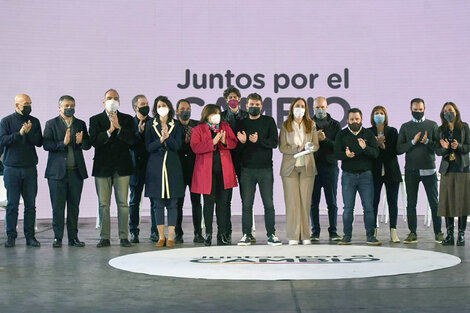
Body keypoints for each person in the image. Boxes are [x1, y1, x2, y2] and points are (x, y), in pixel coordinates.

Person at [89, 89, 135, 247]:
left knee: (123, 203)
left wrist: (119, 127)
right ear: (103, 101)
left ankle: (124, 236)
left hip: (122, 167)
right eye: (109, 98)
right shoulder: (95, 120)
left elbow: (132, 140)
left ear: (120, 101)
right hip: (103, 167)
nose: (112, 101)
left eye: (115, 98)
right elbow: (94, 141)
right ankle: (105, 237)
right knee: (104, 204)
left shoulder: (127, 119)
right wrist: (109, 130)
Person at [43, 95, 90, 248]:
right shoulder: (51, 124)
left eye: (72, 105)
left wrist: (81, 142)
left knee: (74, 206)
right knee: (57, 207)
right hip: (56, 174)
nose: (70, 108)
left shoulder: (80, 123)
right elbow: (46, 144)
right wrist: (62, 143)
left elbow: (88, 144)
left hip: (76, 173)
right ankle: (57, 237)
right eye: (67, 106)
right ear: (59, 107)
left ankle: (73, 237)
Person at [235, 93, 281, 246]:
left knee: (269, 204)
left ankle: (271, 234)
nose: (254, 107)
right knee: (247, 204)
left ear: (262, 106)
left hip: (265, 169)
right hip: (247, 170)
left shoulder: (269, 121)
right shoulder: (241, 123)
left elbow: (274, 143)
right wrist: (241, 142)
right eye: (251, 105)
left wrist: (258, 140)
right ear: (246, 106)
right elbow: (237, 149)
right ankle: (246, 235)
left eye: (257, 105)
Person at [397, 98, 443, 244]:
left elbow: (438, 148)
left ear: (425, 109)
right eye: (415, 109)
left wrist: (427, 142)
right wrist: (412, 142)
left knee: (434, 202)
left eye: (420, 109)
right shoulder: (405, 127)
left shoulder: (432, 125)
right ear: (410, 109)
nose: (418, 112)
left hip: (429, 169)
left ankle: (438, 232)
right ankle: (412, 232)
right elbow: (399, 149)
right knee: (411, 203)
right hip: (411, 170)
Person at [191, 104, 238, 246]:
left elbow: (234, 142)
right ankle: (208, 234)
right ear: (207, 115)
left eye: (218, 113)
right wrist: (213, 142)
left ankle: (222, 234)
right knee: (208, 204)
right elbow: (195, 147)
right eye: (213, 113)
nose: (216, 116)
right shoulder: (198, 129)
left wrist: (224, 141)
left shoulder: (225, 126)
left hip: (224, 172)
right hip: (207, 173)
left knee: (223, 204)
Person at [0, 94, 43, 247]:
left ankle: (30, 236)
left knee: (30, 204)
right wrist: (20, 134)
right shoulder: (6, 121)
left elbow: (39, 142)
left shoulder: (35, 121)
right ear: (17, 105)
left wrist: (29, 132)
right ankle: (11, 236)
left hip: (30, 168)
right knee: (12, 204)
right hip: (11, 168)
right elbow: (2, 140)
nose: (28, 106)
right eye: (26, 103)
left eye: (30, 103)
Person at [334, 108, 381, 245]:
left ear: (361, 120)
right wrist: (345, 155)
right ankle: (347, 236)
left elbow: (376, 154)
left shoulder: (368, 134)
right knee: (348, 208)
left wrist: (365, 147)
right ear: (347, 120)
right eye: (352, 119)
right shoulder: (341, 135)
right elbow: (336, 153)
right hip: (348, 176)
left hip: (366, 176)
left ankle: (370, 236)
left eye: (357, 119)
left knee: (368, 207)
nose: (355, 121)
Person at [145, 96, 185, 248]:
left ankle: (171, 237)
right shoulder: (150, 124)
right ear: (155, 108)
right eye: (159, 105)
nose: (162, 107)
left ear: (169, 107)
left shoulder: (177, 125)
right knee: (158, 203)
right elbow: (148, 147)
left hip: (173, 167)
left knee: (173, 203)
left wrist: (168, 138)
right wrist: (160, 140)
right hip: (155, 168)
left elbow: (177, 146)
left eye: (164, 105)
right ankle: (161, 236)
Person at [280, 97, 319, 245]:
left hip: (307, 167)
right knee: (292, 203)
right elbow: (282, 147)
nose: (300, 108)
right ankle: (293, 236)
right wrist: (297, 148)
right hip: (290, 168)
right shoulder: (285, 125)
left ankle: (305, 235)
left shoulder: (311, 125)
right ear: (292, 108)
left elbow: (316, 145)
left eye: (303, 106)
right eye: (297, 106)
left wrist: (310, 147)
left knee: (305, 202)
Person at [436, 102, 470, 246]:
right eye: (445, 111)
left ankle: (461, 234)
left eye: (450, 110)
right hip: (447, 169)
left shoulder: (464, 127)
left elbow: (468, 146)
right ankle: (449, 234)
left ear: (456, 111)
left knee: (462, 201)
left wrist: (459, 146)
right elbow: (437, 151)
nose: (448, 112)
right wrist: (444, 149)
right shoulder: (440, 129)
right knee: (447, 202)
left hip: (462, 168)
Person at [310, 96, 342, 242]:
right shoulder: (308, 123)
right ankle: (315, 231)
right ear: (313, 108)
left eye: (322, 107)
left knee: (332, 202)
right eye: (317, 107)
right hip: (313, 167)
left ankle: (333, 231)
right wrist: (315, 138)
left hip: (330, 167)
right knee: (313, 202)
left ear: (327, 107)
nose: (320, 110)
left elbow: (338, 146)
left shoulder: (335, 125)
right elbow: (304, 144)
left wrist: (325, 140)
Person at [368, 106, 402, 243]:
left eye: (382, 113)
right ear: (372, 116)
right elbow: (369, 152)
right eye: (376, 113)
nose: (379, 115)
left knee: (392, 202)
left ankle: (393, 231)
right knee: (373, 202)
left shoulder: (392, 131)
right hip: (375, 173)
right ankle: (373, 230)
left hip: (391, 172)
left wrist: (383, 146)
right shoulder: (368, 132)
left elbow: (395, 151)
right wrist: (376, 145)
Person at [128, 94, 158, 243]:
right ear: (135, 107)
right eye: (142, 104)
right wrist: (139, 132)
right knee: (134, 200)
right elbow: (129, 143)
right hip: (135, 168)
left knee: (154, 201)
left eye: (147, 103)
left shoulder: (154, 122)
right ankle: (133, 231)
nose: (146, 106)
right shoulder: (129, 123)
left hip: (152, 166)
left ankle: (155, 231)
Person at [221, 86, 248, 241]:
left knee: (246, 198)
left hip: (244, 160)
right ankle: (226, 231)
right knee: (226, 199)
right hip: (227, 160)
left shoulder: (246, 115)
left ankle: (247, 232)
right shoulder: (222, 117)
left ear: (239, 99)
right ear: (226, 100)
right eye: (230, 97)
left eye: (235, 97)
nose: (233, 100)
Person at [175, 99, 203, 244]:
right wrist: (184, 141)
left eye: (188, 108)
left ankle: (198, 233)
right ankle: (178, 233)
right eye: (182, 108)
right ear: (177, 111)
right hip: (178, 170)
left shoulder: (197, 125)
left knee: (196, 202)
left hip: (195, 170)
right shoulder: (172, 126)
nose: (185, 111)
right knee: (177, 203)